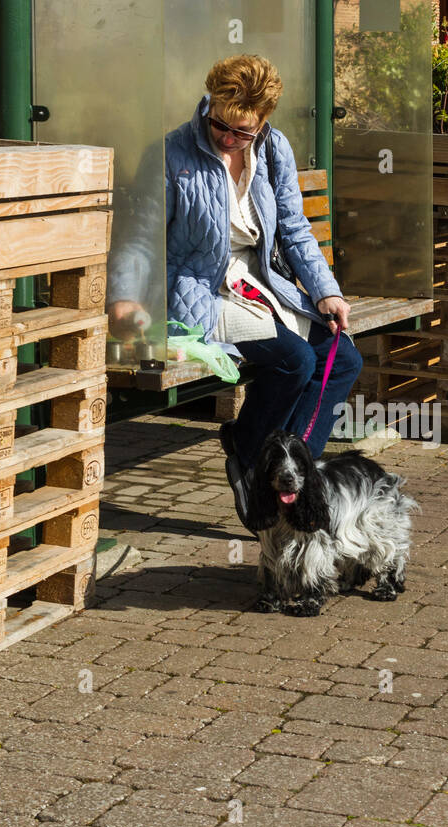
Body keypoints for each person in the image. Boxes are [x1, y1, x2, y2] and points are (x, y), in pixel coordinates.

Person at [106, 55, 361, 532]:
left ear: (263, 122)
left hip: (260, 281)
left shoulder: (274, 148)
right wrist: (124, 296)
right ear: (209, 105)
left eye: (241, 132)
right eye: (219, 124)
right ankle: (249, 452)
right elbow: (141, 237)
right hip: (201, 288)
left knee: (342, 359)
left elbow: (294, 228)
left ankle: (291, 473)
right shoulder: (171, 154)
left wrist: (326, 291)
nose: (227, 137)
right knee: (295, 360)